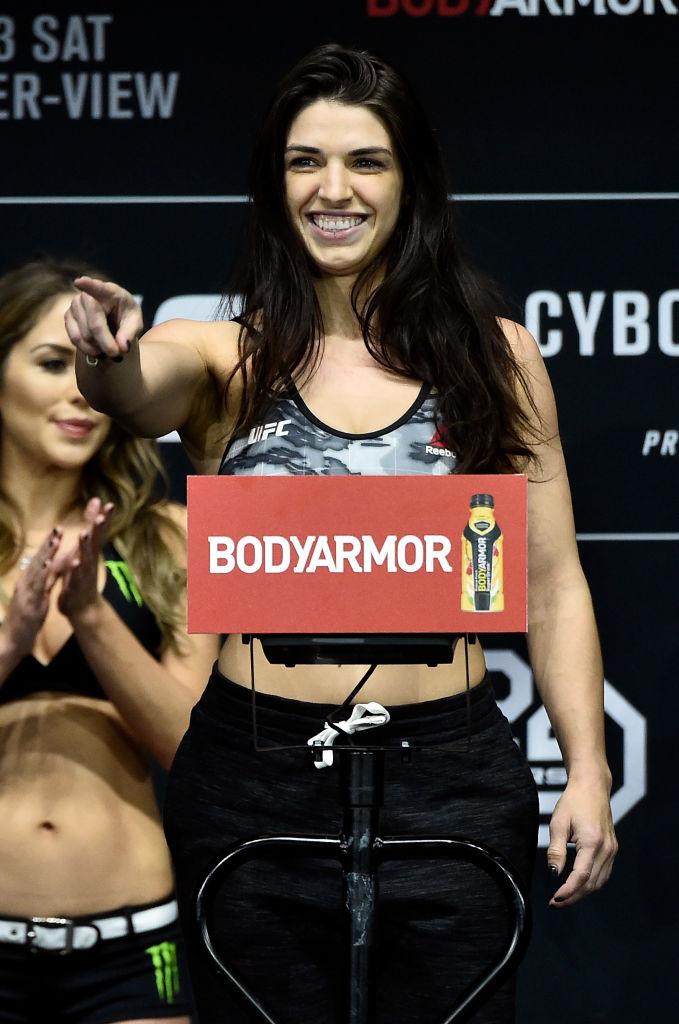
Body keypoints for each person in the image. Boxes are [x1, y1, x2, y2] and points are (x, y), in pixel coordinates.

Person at [64, 45, 617, 1024]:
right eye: (303, 161)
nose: (333, 189)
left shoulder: (497, 358)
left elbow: (553, 581)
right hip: (253, 773)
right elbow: (129, 392)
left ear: (411, 183)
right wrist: (102, 353)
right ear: (273, 185)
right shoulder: (220, 355)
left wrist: (586, 767)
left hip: (450, 771)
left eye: (365, 161)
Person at [0, 259, 218, 1024]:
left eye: (95, 366)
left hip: (133, 948)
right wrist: (10, 642)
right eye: (53, 362)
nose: (79, 392)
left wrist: (91, 617)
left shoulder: (172, 540)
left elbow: (191, 746)